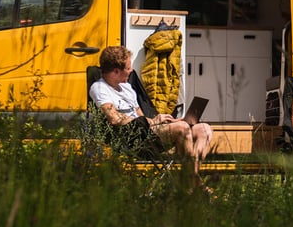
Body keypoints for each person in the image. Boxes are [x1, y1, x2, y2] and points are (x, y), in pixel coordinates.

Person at [89, 45, 213, 176]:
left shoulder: (126, 88)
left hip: (147, 131)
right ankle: (193, 183)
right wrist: (148, 122)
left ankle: (191, 177)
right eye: (128, 68)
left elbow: (141, 116)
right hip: (132, 139)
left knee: (204, 129)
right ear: (116, 71)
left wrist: (162, 121)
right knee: (182, 128)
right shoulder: (100, 88)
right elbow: (114, 118)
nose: (131, 71)